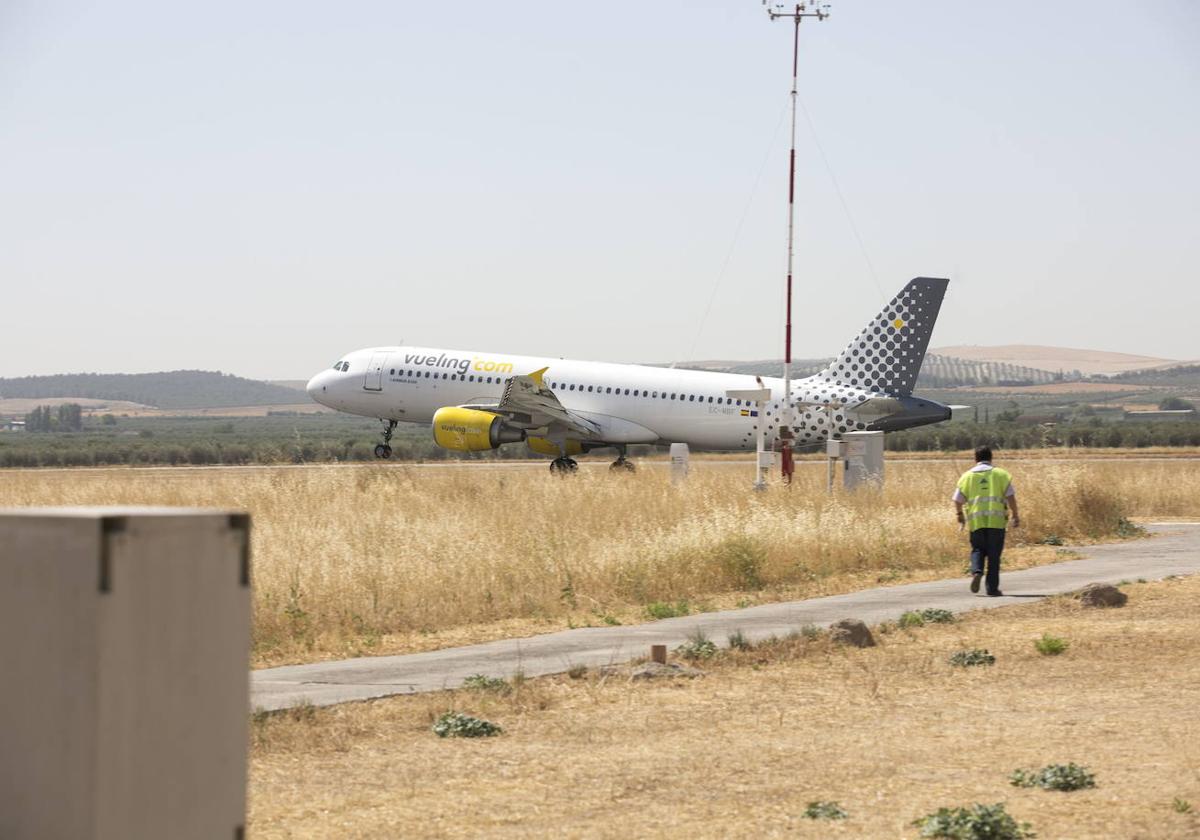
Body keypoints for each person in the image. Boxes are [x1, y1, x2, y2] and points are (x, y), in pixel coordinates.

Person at [952, 446, 1020, 596]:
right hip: (996, 523)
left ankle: (977, 572)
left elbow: (957, 500)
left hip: (976, 523)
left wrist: (959, 515)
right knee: (994, 556)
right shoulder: (1001, 475)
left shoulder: (966, 477)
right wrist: (1015, 514)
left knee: (977, 550)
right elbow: (1011, 497)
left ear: (975, 459)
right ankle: (992, 589)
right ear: (991, 458)